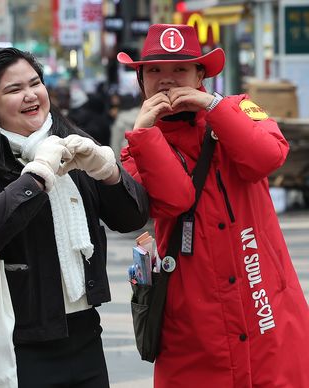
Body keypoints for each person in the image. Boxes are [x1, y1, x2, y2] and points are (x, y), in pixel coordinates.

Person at [0, 47, 149, 388]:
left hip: (83, 334)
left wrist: (108, 171)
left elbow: (132, 217)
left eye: (35, 83)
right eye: (13, 90)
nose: (30, 95)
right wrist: (37, 175)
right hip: (12, 340)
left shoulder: (72, 145)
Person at [118, 23, 309, 387]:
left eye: (180, 70)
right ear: (140, 78)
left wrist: (213, 106)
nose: (167, 81)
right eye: (154, 70)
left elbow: (267, 156)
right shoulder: (136, 146)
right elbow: (174, 201)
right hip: (193, 320)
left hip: (264, 303)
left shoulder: (238, 108)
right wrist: (146, 134)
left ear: (200, 73)